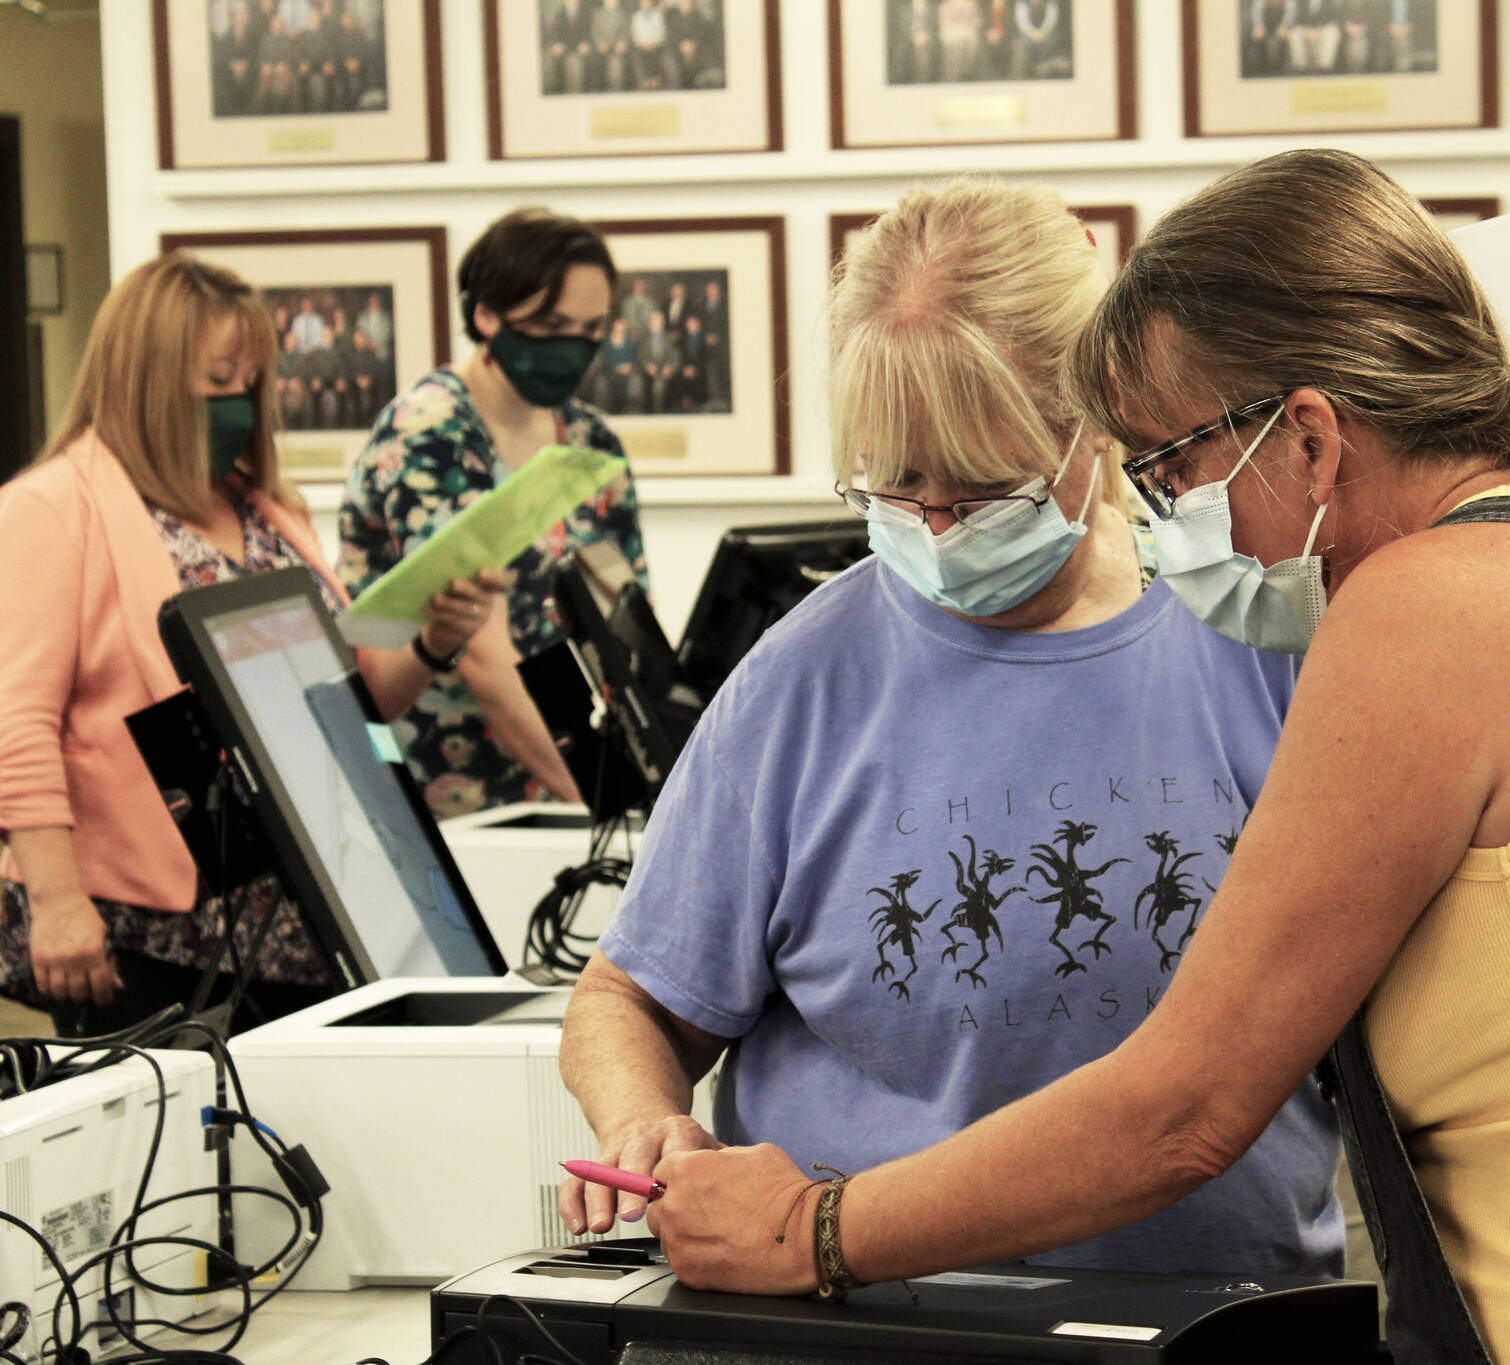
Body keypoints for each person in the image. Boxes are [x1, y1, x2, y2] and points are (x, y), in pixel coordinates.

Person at [637, 150, 1510, 1363]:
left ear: (1316, 436)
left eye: (1173, 470)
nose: (1168, 524)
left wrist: (812, 1228)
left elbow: (1185, 1112)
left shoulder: (1423, 607)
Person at [554, 180, 1344, 1280]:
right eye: (894, 485)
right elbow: (629, 994)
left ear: (1091, 428)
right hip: (860, 1317)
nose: (933, 529)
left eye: (980, 490)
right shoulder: (804, 680)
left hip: (1209, 1315)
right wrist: (643, 1117)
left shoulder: (1257, 639)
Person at [0, 253, 503, 1038]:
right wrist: (57, 902)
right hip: (153, 925)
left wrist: (435, 644)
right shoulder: (50, 508)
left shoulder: (266, 509)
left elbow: (352, 705)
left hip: (306, 909)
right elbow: (16, 723)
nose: (240, 401)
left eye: (252, 380)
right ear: (148, 378)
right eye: (220, 378)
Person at [337, 208, 648, 820]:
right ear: (485, 315)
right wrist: (611, 805)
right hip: (463, 793)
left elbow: (627, 618)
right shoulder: (432, 434)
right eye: (552, 324)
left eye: (591, 329)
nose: (574, 348)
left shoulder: (588, 440)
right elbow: (484, 658)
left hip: (572, 770)